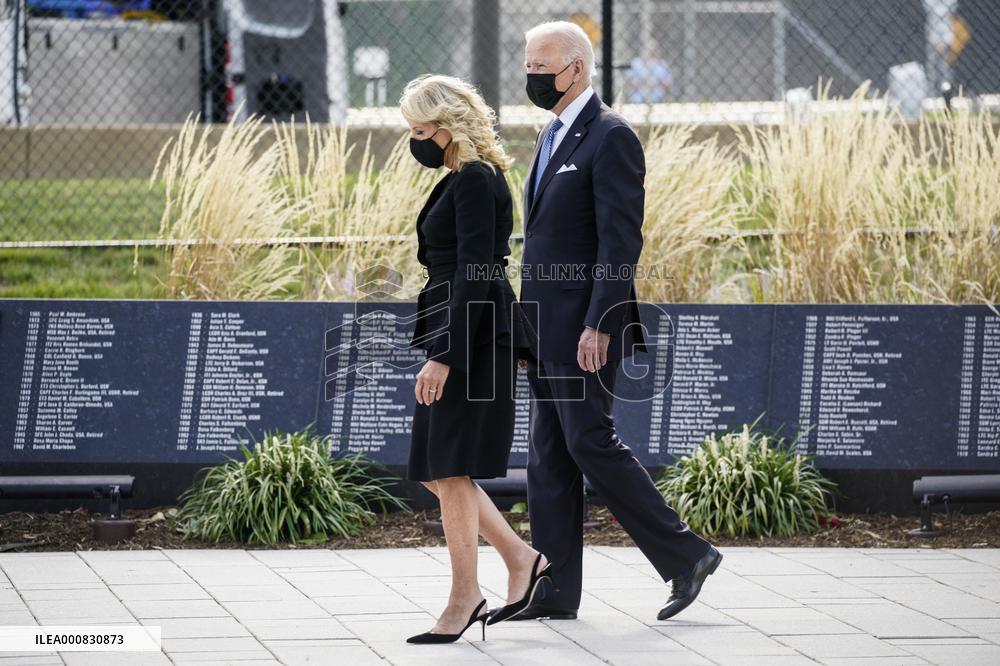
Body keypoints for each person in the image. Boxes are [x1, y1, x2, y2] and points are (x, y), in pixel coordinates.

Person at [489, 21, 722, 625]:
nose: (532, 76)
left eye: (542, 67)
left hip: (586, 329)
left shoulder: (611, 136)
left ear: (577, 69)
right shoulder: (551, 133)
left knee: (588, 442)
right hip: (545, 326)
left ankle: (687, 555)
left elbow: (620, 243)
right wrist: (525, 330)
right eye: (527, 66)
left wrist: (601, 324)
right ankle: (553, 589)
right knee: (548, 456)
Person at [399, 74, 548, 644]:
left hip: (473, 337)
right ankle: (521, 559)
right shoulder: (463, 178)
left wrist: (444, 355)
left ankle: (466, 597)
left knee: (448, 467)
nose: (414, 141)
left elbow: (477, 273)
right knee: (437, 468)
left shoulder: (477, 180)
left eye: (420, 131)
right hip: (465, 330)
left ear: (448, 127)